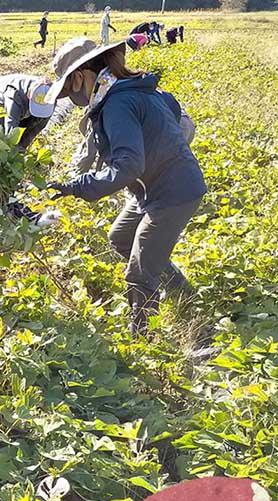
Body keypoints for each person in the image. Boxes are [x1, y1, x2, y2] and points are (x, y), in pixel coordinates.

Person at [44, 38, 207, 336]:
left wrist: (78, 186)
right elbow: (169, 115)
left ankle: (145, 338)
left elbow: (129, 166)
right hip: (154, 186)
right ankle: (181, 291)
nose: (71, 97)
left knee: (139, 272)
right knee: (121, 237)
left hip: (173, 193)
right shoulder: (127, 89)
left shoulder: (118, 102)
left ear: (81, 76)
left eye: (69, 89)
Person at [0, 74, 55, 149]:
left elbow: (38, 126)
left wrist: (22, 146)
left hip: (20, 104)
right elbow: (11, 128)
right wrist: (10, 149)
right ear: (29, 96)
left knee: (22, 139)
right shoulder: (14, 96)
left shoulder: (51, 97)